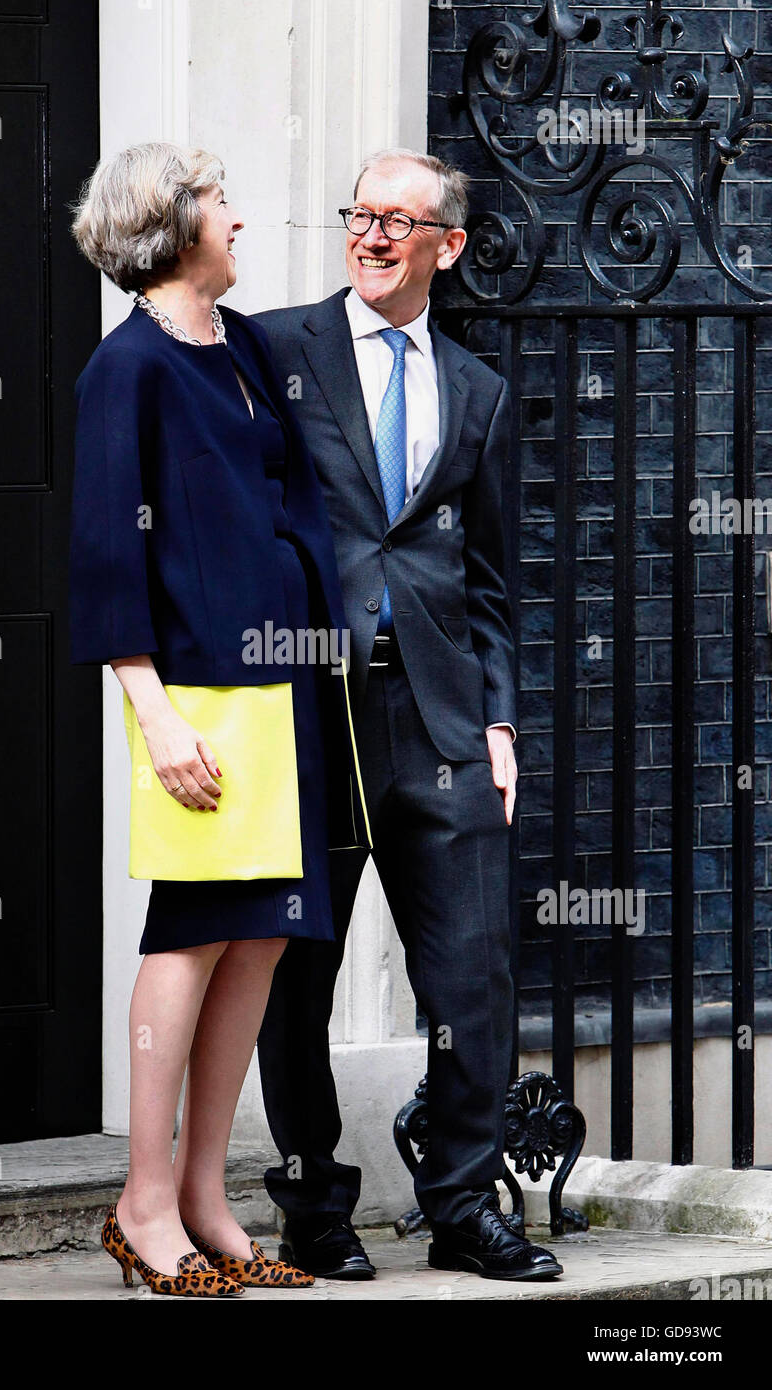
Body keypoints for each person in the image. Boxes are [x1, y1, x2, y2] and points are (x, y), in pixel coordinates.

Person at [254, 148, 563, 1281]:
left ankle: (465, 1206)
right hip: (308, 708)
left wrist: (500, 719)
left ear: (449, 245)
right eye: (361, 215)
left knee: (473, 970)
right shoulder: (277, 347)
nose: (373, 236)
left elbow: (491, 578)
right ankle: (312, 1203)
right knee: (295, 968)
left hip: (440, 723)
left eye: (399, 221)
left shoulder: (476, 391)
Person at [67, 141, 368, 1297]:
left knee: (262, 932)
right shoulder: (126, 367)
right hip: (193, 695)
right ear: (174, 221)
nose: (241, 220)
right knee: (191, 931)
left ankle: (202, 1194)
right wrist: (152, 715)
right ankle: (143, 1202)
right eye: (222, 202)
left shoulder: (239, 345)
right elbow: (105, 554)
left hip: (281, 684)